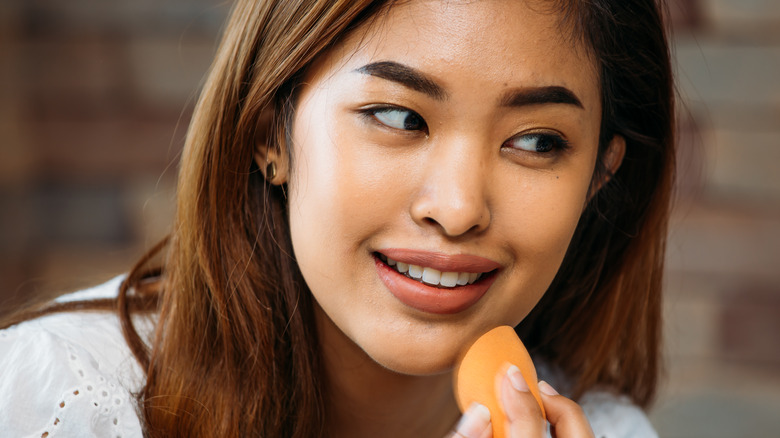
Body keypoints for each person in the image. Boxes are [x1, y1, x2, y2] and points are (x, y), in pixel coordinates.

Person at [0, 0, 675, 436]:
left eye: (536, 141)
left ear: (598, 176)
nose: (459, 208)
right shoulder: (60, 401)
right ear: (270, 132)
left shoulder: (605, 429)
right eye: (400, 117)